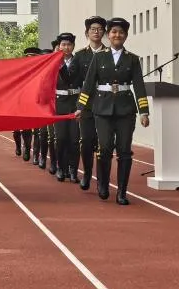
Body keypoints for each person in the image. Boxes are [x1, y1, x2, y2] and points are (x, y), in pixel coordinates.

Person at [76, 17, 149, 205]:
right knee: (105, 148)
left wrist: (144, 111)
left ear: (125, 36)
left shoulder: (132, 59)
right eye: (114, 32)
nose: (117, 35)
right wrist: (80, 108)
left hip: (125, 110)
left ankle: (122, 192)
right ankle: (103, 184)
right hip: (102, 109)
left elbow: (139, 86)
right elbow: (89, 84)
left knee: (124, 151)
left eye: (121, 32)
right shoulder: (99, 57)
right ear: (108, 35)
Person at [73, 16, 108, 190]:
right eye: (93, 29)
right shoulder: (79, 56)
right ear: (87, 33)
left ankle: (102, 180)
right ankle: (87, 174)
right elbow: (73, 79)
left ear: (104, 32)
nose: (96, 32)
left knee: (103, 143)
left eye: (100, 29)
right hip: (86, 104)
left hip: (105, 104)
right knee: (86, 140)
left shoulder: (110, 54)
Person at [53, 32, 81, 183]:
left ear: (73, 46)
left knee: (74, 139)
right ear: (59, 46)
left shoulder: (78, 61)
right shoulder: (53, 62)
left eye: (69, 44)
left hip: (75, 102)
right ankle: (60, 168)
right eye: (63, 44)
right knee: (61, 138)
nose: (66, 47)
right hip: (60, 102)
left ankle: (73, 170)